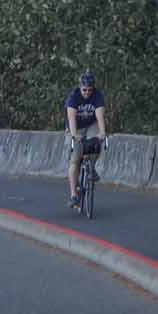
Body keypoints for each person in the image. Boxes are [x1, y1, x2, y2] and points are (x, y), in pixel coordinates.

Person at [64, 69, 107, 210]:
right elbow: (71, 118)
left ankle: (91, 168)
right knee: (75, 160)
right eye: (84, 90)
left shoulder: (97, 96)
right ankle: (74, 195)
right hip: (76, 126)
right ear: (79, 88)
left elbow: (100, 117)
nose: (87, 93)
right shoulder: (73, 97)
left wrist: (102, 133)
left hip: (91, 124)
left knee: (96, 144)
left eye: (89, 90)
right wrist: (74, 135)